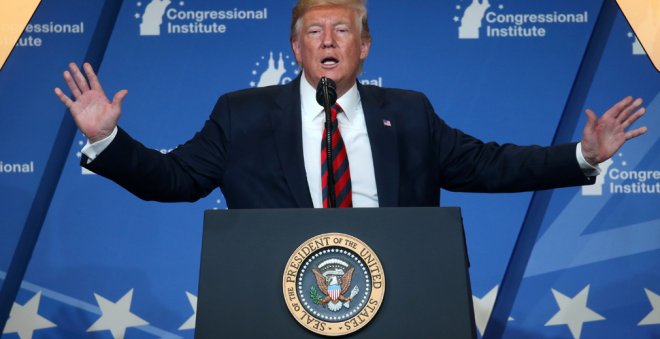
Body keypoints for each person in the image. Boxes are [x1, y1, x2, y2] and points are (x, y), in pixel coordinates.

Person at [54, 0, 647, 209]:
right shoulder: (242, 113)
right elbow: (177, 179)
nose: (329, 41)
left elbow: (488, 166)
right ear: (295, 49)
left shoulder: (409, 112)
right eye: (315, 32)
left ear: (364, 47)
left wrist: (581, 155)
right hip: (275, 299)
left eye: (342, 31)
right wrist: (107, 140)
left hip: (401, 294)